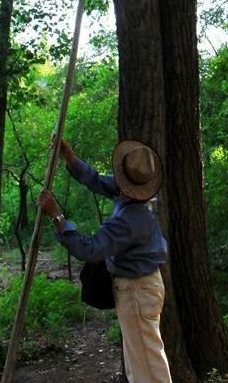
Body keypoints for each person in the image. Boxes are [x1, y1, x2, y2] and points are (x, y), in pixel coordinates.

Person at [38, 137, 172, 383]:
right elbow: (99, 181)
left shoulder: (128, 220)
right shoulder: (139, 195)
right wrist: (70, 157)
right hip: (142, 288)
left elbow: (89, 249)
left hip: (137, 292)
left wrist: (57, 217)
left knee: (148, 370)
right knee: (141, 364)